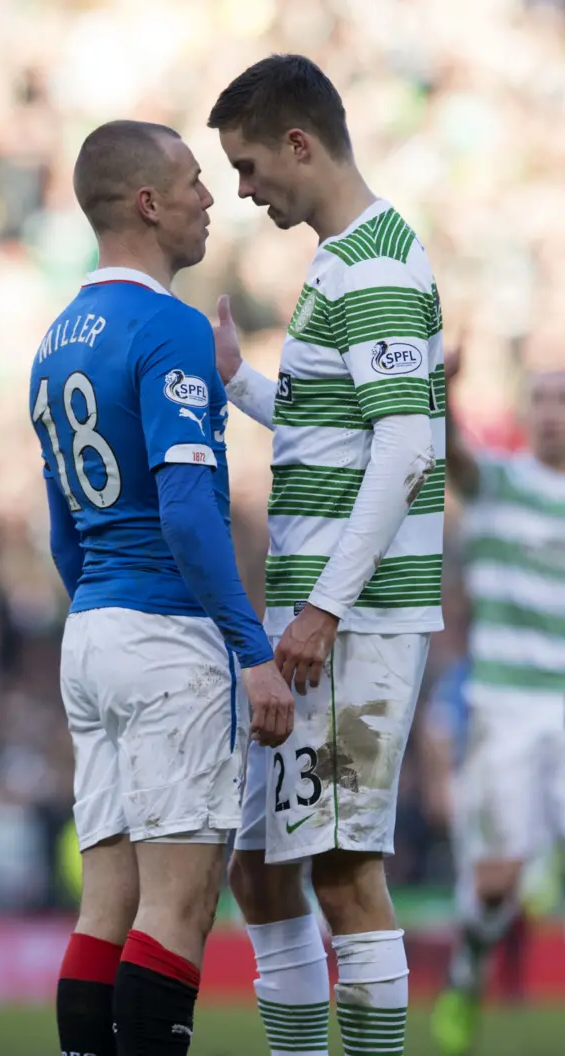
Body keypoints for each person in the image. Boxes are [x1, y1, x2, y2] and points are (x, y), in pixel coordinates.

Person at [28, 119, 294, 1056]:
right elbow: (187, 516)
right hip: (166, 636)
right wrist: (250, 652)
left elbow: (66, 529)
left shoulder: (56, 341)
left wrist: (102, 611)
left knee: (108, 906)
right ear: (147, 203)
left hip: (93, 630)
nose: (208, 197)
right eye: (191, 181)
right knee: (178, 908)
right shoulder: (168, 328)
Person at [207, 55, 445, 1056]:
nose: (243, 189)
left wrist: (323, 610)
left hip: (351, 627)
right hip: (315, 623)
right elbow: (334, 426)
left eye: (251, 165)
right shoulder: (341, 261)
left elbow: (404, 447)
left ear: (300, 143)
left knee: (343, 870)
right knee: (259, 868)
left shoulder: (380, 262)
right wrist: (239, 384)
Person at [430, 347, 565, 1055]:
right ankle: (467, 973)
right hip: (507, 707)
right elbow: (454, 455)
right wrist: (444, 391)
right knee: (493, 887)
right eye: (540, 401)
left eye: (561, 401)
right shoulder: (500, 484)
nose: (550, 414)